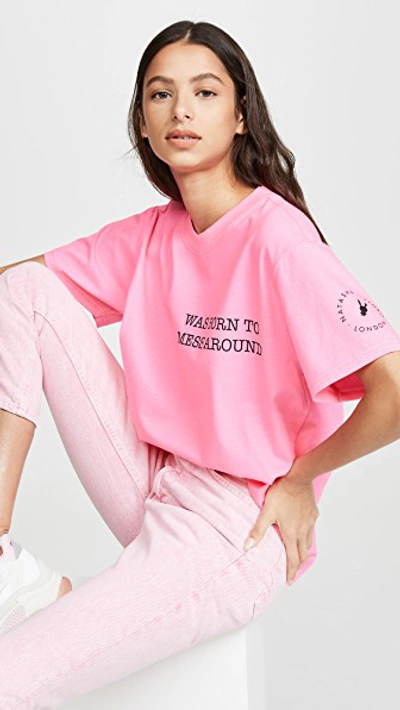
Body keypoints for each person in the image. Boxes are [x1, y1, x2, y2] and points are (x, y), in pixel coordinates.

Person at [1, 18, 400, 707]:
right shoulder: (154, 233)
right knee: (24, 291)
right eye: (161, 94)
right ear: (144, 122)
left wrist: (301, 479)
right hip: (153, 478)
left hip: (233, 526)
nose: (181, 110)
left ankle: (51, 605)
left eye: (205, 92)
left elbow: (392, 390)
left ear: (241, 114)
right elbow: (16, 294)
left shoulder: (281, 241)